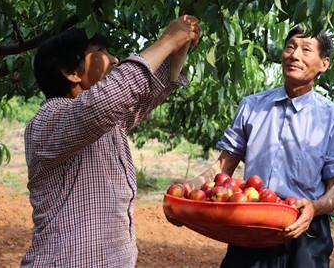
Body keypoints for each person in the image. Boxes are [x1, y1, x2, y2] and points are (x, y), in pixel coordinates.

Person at [21, 15, 201, 267]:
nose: (114, 59)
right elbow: (109, 97)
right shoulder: (50, 119)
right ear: (71, 72)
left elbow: (147, 91)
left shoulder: (108, 124)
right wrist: (166, 41)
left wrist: (178, 48)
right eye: (100, 51)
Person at [184, 26, 334, 268]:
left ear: (324, 64)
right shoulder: (251, 107)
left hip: (305, 229)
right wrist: (188, 191)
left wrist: (314, 208)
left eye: (306, 50)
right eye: (290, 47)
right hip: (253, 222)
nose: (295, 55)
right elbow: (223, 167)